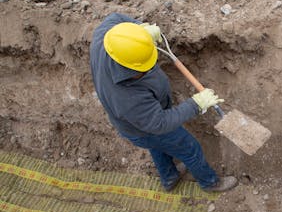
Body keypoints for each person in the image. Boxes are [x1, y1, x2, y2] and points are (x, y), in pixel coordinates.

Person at [89, 12, 238, 192]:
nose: (152, 65)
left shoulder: (107, 39)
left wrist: (141, 29)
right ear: (130, 67)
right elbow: (159, 123)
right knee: (189, 148)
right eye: (145, 67)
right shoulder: (127, 96)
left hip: (143, 124)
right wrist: (195, 104)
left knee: (157, 145)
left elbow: (115, 17)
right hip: (143, 128)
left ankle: (169, 177)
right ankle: (210, 182)